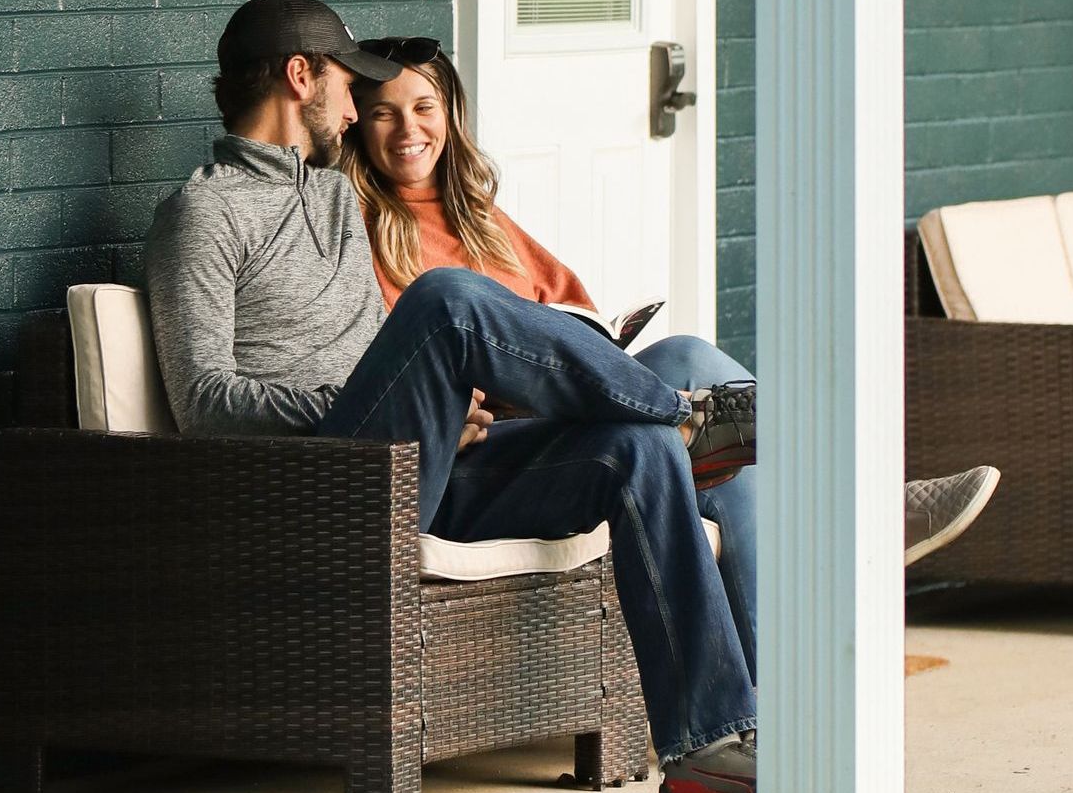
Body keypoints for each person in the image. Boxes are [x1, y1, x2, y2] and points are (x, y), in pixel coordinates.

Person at [338, 35, 1002, 721]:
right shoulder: (355, 224)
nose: (409, 128)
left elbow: (570, 323)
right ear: (358, 123)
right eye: (385, 113)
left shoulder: (480, 217)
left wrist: (596, 342)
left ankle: (777, 691)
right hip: (488, 442)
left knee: (688, 357)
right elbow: (389, 374)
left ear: (452, 114)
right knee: (703, 422)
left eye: (424, 106)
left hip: (558, 404)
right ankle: (849, 514)